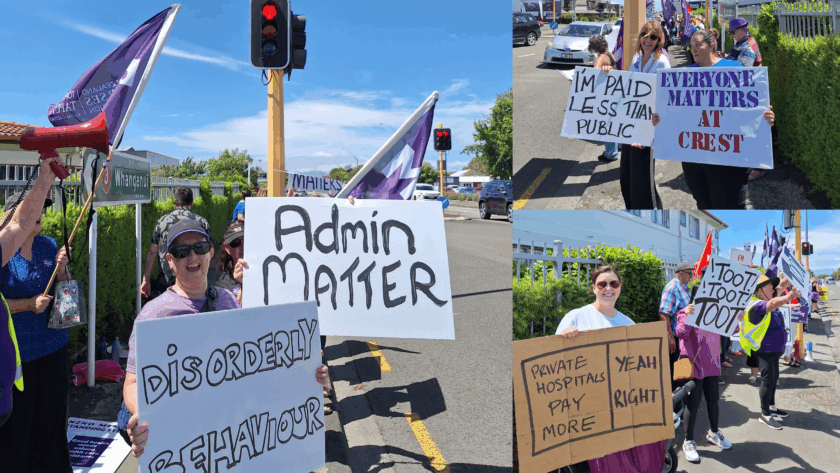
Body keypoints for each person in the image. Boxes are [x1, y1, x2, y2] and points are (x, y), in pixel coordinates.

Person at [119, 219, 330, 457]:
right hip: (182, 444)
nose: (192, 256)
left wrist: (304, 371)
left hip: (224, 440)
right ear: (170, 260)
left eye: (199, 248)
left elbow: (250, 365)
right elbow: (133, 383)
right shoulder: (153, 315)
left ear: (209, 253)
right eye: (181, 251)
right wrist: (142, 416)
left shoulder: (226, 300)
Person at [650, 29, 776, 209]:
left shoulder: (734, 69)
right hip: (695, 159)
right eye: (691, 46)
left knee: (730, 207)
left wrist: (765, 117)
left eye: (697, 45)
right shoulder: (685, 74)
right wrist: (661, 119)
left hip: (728, 159)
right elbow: (674, 111)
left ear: (711, 45)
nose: (693, 50)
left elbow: (750, 108)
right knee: (703, 204)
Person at [557, 265, 666, 473]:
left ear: (620, 288)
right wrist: (564, 339)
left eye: (613, 283)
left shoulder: (628, 323)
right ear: (594, 288)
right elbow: (556, 364)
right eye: (602, 284)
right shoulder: (576, 317)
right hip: (590, 413)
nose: (608, 288)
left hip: (623, 411)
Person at [0, 156, 65, 465]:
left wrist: (63, 271)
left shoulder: (47, 244)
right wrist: (27, 304)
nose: (39, 217)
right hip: (18, 356)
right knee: (18, 430)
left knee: (50, 422)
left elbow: (63, 291)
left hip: (52, 345)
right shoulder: (4, 253)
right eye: (33, 211)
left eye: (41, 211)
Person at [608, 19, 670, 209]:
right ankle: (632, 209)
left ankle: (651, 215)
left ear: (659, 40)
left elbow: (664, 99)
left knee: (643, 180)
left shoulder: (662, 63)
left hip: (648, 128)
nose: (647, 40)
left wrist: (646, 133)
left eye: (652, 36)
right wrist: (606, 73)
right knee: (627, 176)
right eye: (644, 35)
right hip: (629, 127)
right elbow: (627, 87)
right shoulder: (636, 58)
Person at [677, 283, 737, 463]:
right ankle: (688, 441)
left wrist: (737, 319)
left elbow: (731, 330)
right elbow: (680, 333)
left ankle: (714, 432)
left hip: (712, 365)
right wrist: (688, 315)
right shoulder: (685, 312)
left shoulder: (715, 314)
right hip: (694, 366)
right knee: (692, 404)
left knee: (713, 401)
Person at [742, 273, 799, 430]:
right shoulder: (756, 304)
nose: (773, 289)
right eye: (769, 287)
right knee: (767, 381)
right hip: (765, 350)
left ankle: (772, 408)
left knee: (774, 379)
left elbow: (780, 287)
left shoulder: (767, 297)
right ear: (760, 290)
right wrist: (789, 297)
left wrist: (794, 274)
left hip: (774, 351)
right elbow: (773, 303)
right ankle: (765, 414)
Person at [140, 187, 211, 301]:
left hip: (166, 277)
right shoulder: (201, 222)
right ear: (192, 203)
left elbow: (153, 251)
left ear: (175, 203)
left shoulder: (162, 221)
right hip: (194, 276)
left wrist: (146, 279)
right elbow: (208, 251)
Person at [659, 262, 694, 391]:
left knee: (682, 373)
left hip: (683, 338)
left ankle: (681, 399)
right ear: (680, 273)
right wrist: (669, 338)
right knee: (676, 374)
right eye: (690, 274)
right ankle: (675, 404)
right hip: (676, 338)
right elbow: (664, 313)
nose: (691, 277)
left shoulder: (683, 287)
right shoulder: (672, 288)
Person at [590, 34, 620, 163]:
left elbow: (593, 76)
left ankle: (610, 153)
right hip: (613, 92)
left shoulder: (600, 58)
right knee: (613, 121)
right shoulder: (610, 54)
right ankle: (617, 146)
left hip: (604, 95)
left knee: (605, 124)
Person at [215, 221, 245, 305]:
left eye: (245, 241)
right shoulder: (222, 286)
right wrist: (245, 286)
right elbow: (234, 316)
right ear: (227, 248)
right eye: (236, 243)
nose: (242, 247)